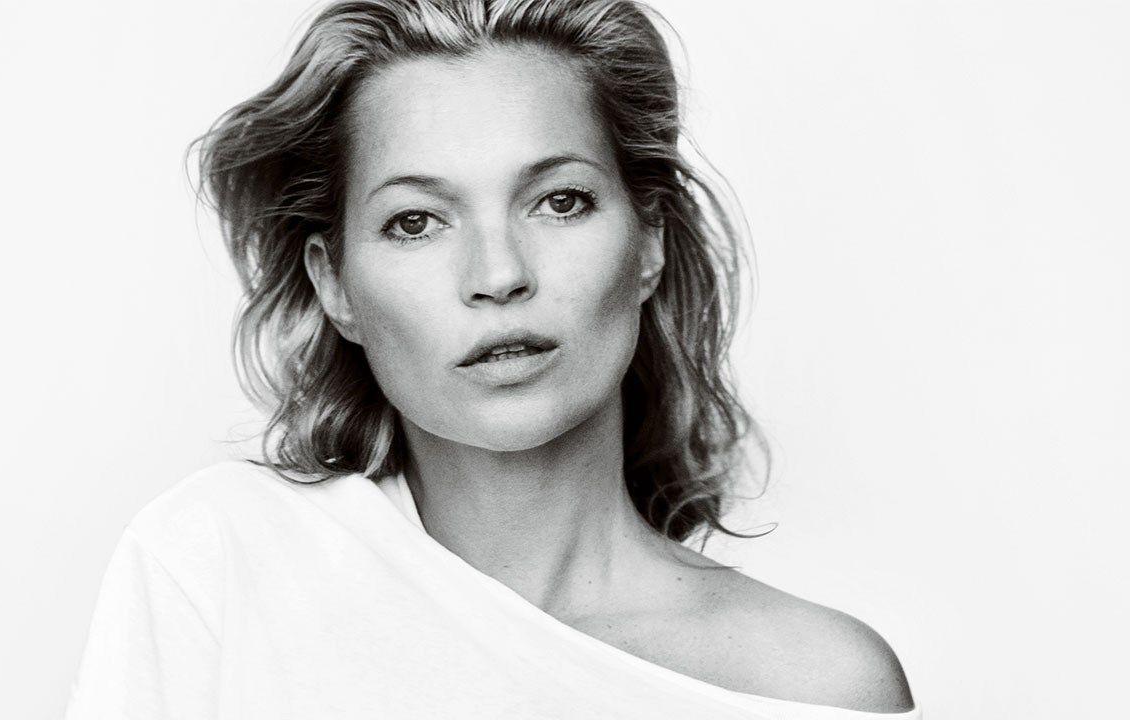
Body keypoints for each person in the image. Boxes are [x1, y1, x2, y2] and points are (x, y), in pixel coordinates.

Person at [64, 0, 920, 717]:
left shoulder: (812, 683)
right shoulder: (221, 565)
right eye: (415, 222)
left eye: (560, 201)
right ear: (335, 285)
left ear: (649, 242)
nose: (500, 275)